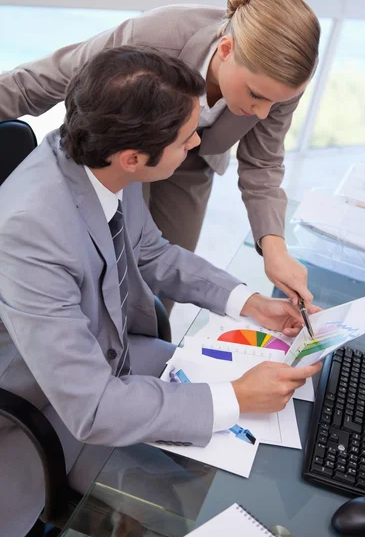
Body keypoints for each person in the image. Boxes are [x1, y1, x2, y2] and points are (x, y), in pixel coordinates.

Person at [0, 46, 321, 537]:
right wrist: (235, 396)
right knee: (218, 505)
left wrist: (249, 302)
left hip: (114, 360)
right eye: (186, 137)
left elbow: (150, 251)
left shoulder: (105, 155)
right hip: (49, 408)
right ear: (134, 158)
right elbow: (92, 408)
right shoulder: (31, 232)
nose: (197, 142)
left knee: (263, 453)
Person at [0, 0, 321, 309]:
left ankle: (145, 342)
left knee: (168, 274)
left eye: (275, 103)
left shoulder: (280, 81)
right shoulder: (153, 37)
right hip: (127, 149)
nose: (262, 112)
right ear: (226, 50)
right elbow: (44, 80)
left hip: (198, 158)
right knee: (108, 263)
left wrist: (275, 249)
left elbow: (263, 163)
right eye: (256, 95)